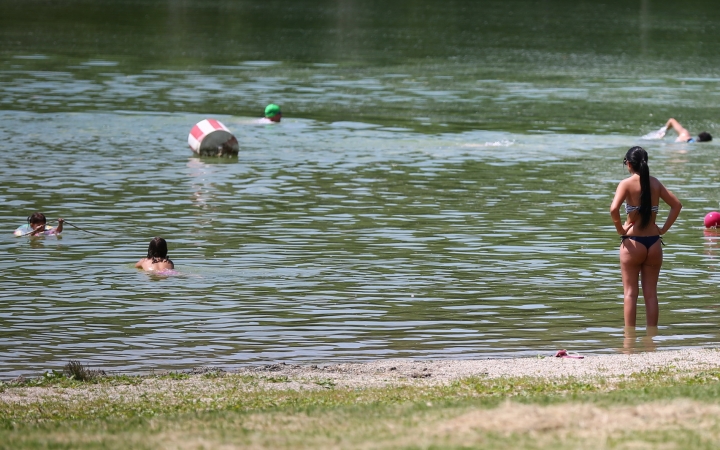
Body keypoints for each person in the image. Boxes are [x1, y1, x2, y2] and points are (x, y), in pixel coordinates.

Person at [610, 146, 682, 328]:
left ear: (628, 164)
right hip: (654, 243)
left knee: (630, 294)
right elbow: (677, 205)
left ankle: (629, 339)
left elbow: (613, 209)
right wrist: (663, 229)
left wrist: (621, 229)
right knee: (651, 294)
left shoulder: (625, 184)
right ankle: (652, 338)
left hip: (633, 244)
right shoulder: (655, 183)